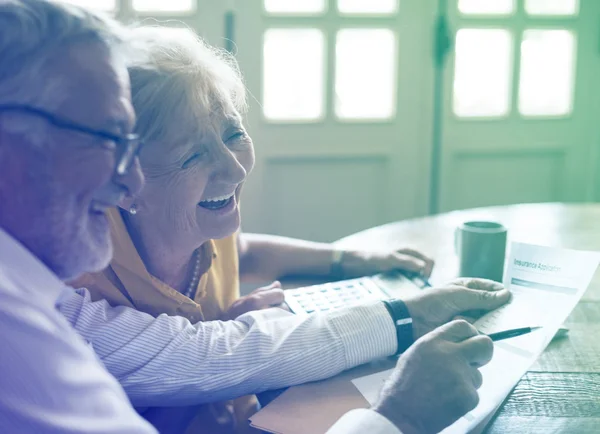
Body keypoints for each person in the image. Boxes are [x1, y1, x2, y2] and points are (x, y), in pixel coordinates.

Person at [0, 2, 507, 433]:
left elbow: (210, 335)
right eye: (106, 139)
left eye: (233, 133)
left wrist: (349, 266)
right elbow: (197, 356)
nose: (126, 181)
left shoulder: (32, 288)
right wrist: (399, 416)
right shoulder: (27, 325)